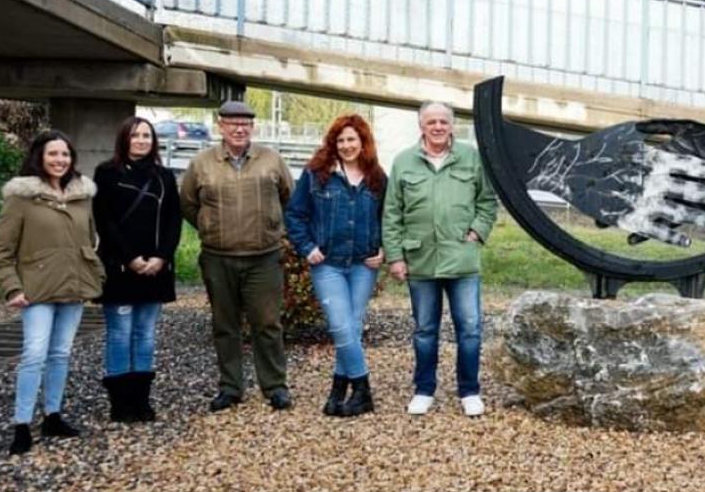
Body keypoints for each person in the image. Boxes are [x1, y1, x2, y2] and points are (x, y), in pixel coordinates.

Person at [0, 131, 105, 455]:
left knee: (61, 353)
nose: (59, 160)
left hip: (73, 286)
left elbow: (91, 240)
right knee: (34, 354)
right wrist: (11, 287)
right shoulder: (22, 199)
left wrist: (94, 275)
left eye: (65, 155)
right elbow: (1, 250)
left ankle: (52, 414)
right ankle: (22, 423)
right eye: (53, 154)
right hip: (36, 290)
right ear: (39, 156)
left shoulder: (82, 195)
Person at [383, 101, 498, 417]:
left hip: (461, 259)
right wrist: (395, 256)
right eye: (431, 121)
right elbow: (392, 213)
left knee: (471, 328)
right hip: (421, 260)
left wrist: (477, 232)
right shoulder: (404, 162)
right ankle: (424, 389)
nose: (437, 127)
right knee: (424, 329)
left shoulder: (470, 158)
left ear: (451, 125)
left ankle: (469, 391)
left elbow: (487, 201)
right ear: (421, 125)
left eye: (443, 122)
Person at [180, 100, 294, 412]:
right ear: (221, 126)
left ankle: (275, 386)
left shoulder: (271, 159)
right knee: (225, 325)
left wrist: (272, 228)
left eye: (245, 123)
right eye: (232, 123)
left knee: (268, 324)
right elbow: (188, 204)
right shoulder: (202, 163)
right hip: (219, 258)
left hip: (264, 258)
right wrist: (210, 226)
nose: (239, 129)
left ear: (252, 127)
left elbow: (288, 197)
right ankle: (230, 387)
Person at [285, 114, 387, 417]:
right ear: (333, 143)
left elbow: (390, 218)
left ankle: (338, 389)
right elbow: (294, 214)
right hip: (328, 264)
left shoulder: (377, 178)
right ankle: (363, 389)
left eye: (352, 139)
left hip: (363, 265)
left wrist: (384, 248)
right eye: (341, 140)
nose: (346, 145)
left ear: (362, 142)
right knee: (341, 326)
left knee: (352, 327)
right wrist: (307, 247)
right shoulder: (317, 174)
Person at [93, 117, 183, 423]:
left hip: (155, 269)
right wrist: (130, 257)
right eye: (135, 135)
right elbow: (104, 220)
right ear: (124, 139)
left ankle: (142, 401)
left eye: (147, 135)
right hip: (120, 268)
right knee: (120, 334)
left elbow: (173, 220)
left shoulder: (164, 177)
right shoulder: (107, 174)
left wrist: (162, 256)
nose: (142, 141)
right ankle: (120, 402)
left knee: (145, 334)